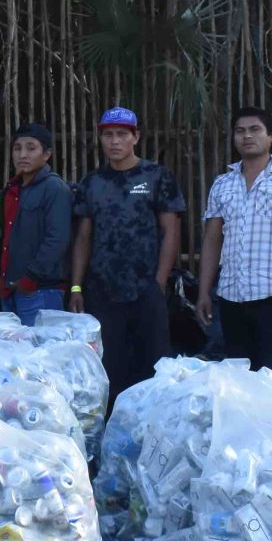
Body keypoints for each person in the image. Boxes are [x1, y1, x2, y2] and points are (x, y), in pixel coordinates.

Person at [70, 106, 185, 398]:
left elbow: (171, 230)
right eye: (108, 135)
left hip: (146, 290)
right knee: (109, 369)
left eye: (122, 134)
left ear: (136, 137)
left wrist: (159, 282)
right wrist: (76, 286)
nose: (114, 141)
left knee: (155, 368)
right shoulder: (92, 182)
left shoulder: (157, 176)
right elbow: (83, 236)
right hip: (102, 291)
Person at [194, 106, 272, 374]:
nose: (246, 136)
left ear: (271, 136)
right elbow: (212, 239)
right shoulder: (222, 184)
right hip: (230, 295)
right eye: (240, 131)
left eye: (254, 130)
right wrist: (204, 292)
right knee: (238, 379)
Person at [0, 122, 73, 322]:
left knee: (40, 351)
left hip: (41, 291)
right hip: (12, 289)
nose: (23, 154)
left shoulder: (55, 189)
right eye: (17, 148)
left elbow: (57, 240)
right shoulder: (12, 190)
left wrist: (30, 280)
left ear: (46, 154)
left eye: (31, 148)